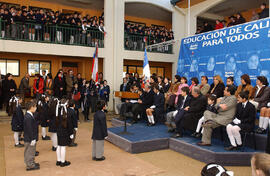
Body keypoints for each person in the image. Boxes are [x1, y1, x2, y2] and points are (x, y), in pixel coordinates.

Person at [56, 99, 73, 167]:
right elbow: (69, 124)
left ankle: (58, 160)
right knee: (63, 147)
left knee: (59, 146)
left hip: (58, 131)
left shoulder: (58, 112)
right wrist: (71, 133)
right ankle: (63, 162)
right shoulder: (66, 114)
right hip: (64, 132)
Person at [24, 100, 39, 171]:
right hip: (29, 138)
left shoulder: (30, 115)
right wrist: (33, 138)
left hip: (30, 137)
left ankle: (32, 163)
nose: (36, 108)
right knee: (29, 151)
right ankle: (30, 165)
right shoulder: (28, 117)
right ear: (31, 107)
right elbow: (29, 129)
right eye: (35, 107)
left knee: (32, 151)